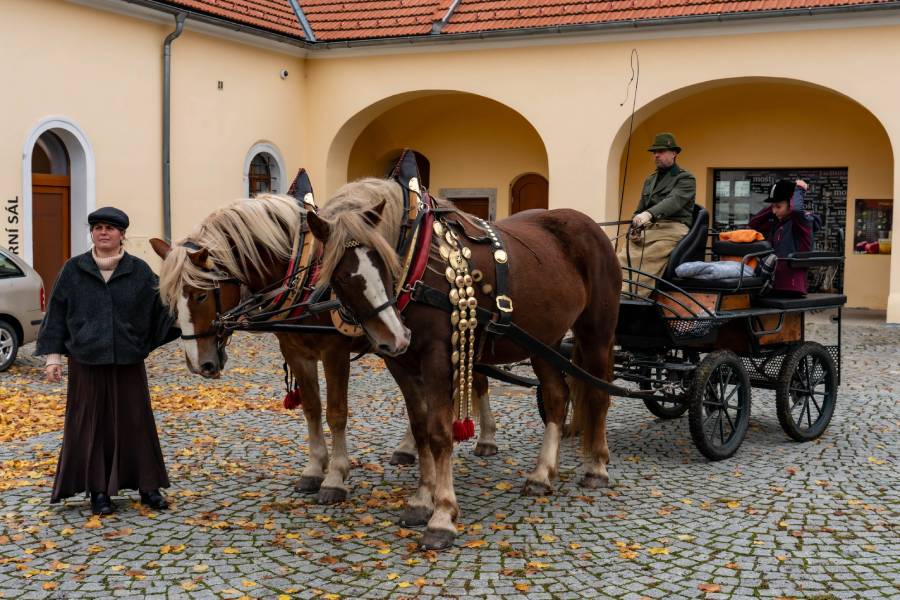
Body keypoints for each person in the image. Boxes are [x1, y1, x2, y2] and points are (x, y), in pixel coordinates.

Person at [36, 207, 179, 515]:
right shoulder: (73, 270)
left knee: (136, 424)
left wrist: (151, 337)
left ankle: (148, 488)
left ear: (121, 234)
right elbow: (57, 315)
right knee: (92, 426)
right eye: (98, 227)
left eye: (110, 228)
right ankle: (99, 491)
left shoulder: (138, 271)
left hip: (128, 361)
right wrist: (53, 358)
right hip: (86, 363)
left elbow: (164, 308)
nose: (103, 232)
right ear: (92, 233)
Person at [618, 132, 696, 297]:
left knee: (649, 256)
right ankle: (616, 291)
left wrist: (648, 214)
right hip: (649, 227)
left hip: (673, 228)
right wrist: (635, 222)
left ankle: (633, 296)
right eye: (654, 152)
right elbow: (641, 207)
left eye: (661, 151)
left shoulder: (686, 178)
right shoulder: (650, 179)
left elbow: (673, 201)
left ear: (674, 153)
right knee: (624, 256)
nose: (656, 155)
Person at [749, 179, 817, 296]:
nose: (774, 211)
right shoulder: (778, 222)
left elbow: (796, 210)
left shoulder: (802, 222)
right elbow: (754, 223)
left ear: (790, 203)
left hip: (791, 287)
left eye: (778, 206)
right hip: (773, 284)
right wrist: (773, 207)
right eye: (772, 207)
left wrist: (799, 190)